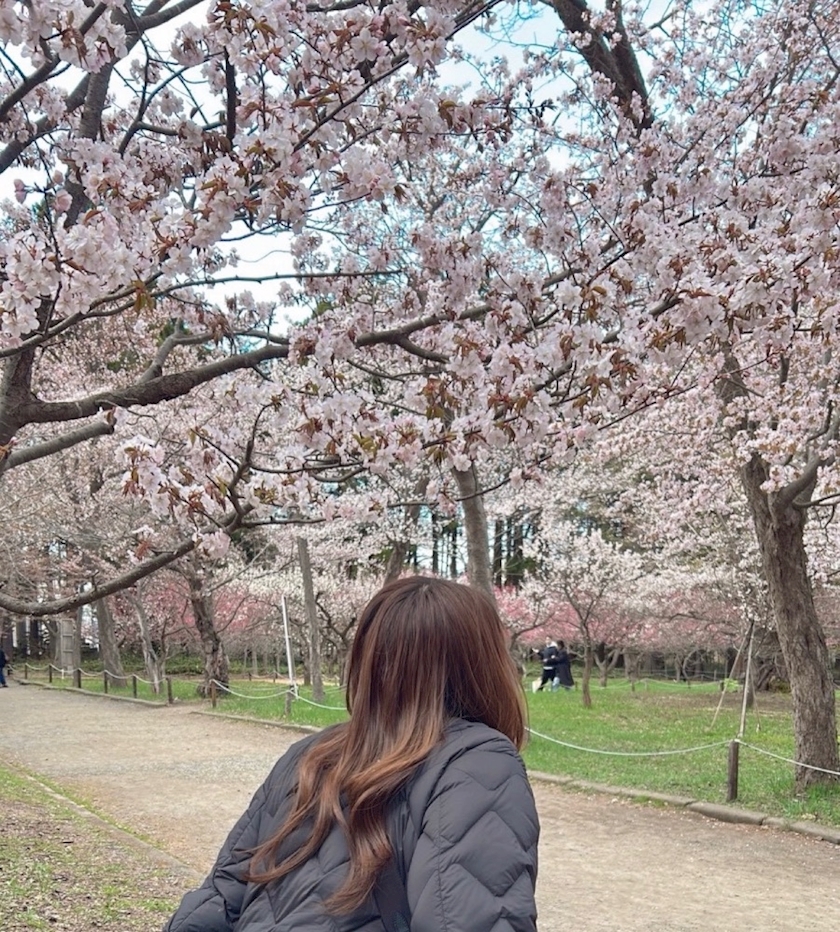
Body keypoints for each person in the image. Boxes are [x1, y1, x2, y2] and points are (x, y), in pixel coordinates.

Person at [163, 577, 539, 932]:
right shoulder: (480, 763)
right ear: (485, 665)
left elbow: (221, 893)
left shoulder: (311, 754)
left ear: (368, 660)